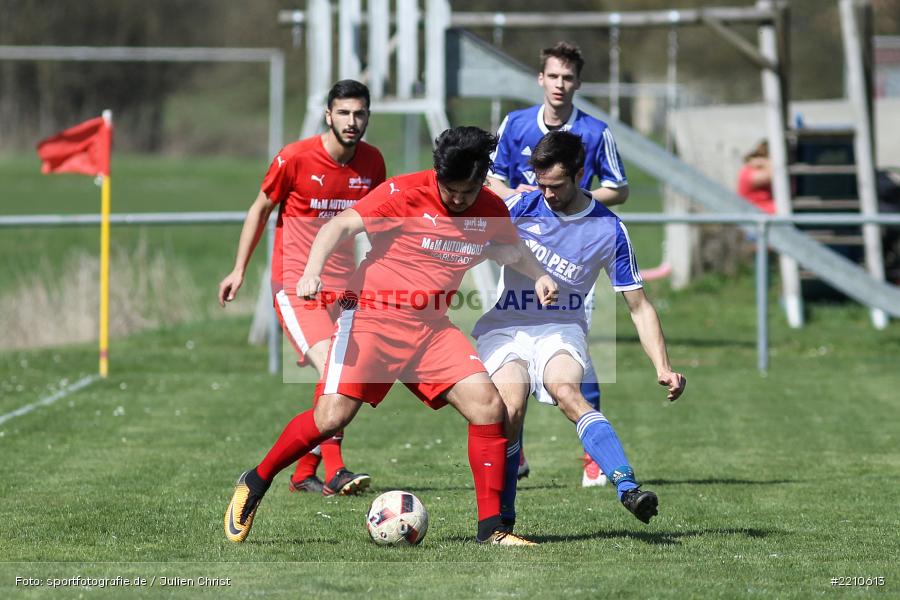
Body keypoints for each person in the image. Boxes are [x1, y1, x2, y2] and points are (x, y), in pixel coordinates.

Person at [224, 126, 559, 546]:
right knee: (331, 418)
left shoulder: (490, 207)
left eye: (466, 191)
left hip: (432, 330)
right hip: (372, 320)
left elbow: (511, 250)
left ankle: (493, 531)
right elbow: (339, 226)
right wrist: (312, 270)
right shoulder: (405, 191)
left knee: (489, 406)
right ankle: (255, 481)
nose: (456, 199)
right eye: (449, 189)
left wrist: (540, 274)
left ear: (482, 181)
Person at [472, 131, 686, 531]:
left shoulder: (608, 229)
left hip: (561, 327)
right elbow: (477, 245)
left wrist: (663, 365)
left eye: (556, 185)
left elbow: (638, 306)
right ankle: (504, 517)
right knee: (510, 407)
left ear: (579, 173)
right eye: (541, 184)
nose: (547, 194)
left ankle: (627, 486)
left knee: (568, 391)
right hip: (507, 326)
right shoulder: (521, 204)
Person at [217, 80, 384, 497]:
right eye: (343, 113)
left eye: (359, 113)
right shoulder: (294, 157)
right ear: (329, 115)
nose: (352, 121)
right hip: (296, 285)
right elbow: (259, 210)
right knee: (335, 367)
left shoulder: (373, 163)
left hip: (345, 289)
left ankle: (302, 471)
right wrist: (239, 269)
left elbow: (379, 222)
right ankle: (336, 469)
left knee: (348, 374)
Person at [486, 41, 630, 486]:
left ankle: (594, 459)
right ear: (541, 79)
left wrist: (574, 206)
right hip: (523, 251)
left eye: (568, 78)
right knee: (511, 361)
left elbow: (619, 187)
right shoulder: (515, 124)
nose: (560, 85)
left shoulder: (594, 131)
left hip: (573, 260)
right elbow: (494, 177)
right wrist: (522, 201)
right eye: (553, 76)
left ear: (577, 84)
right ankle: (517, 452)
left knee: (575, 363)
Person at [737, 140, 775, 214]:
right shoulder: (748, 172)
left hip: (767, 211)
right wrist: (767, 162)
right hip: (755, 213)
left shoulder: (756, 168)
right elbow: (775, 174)